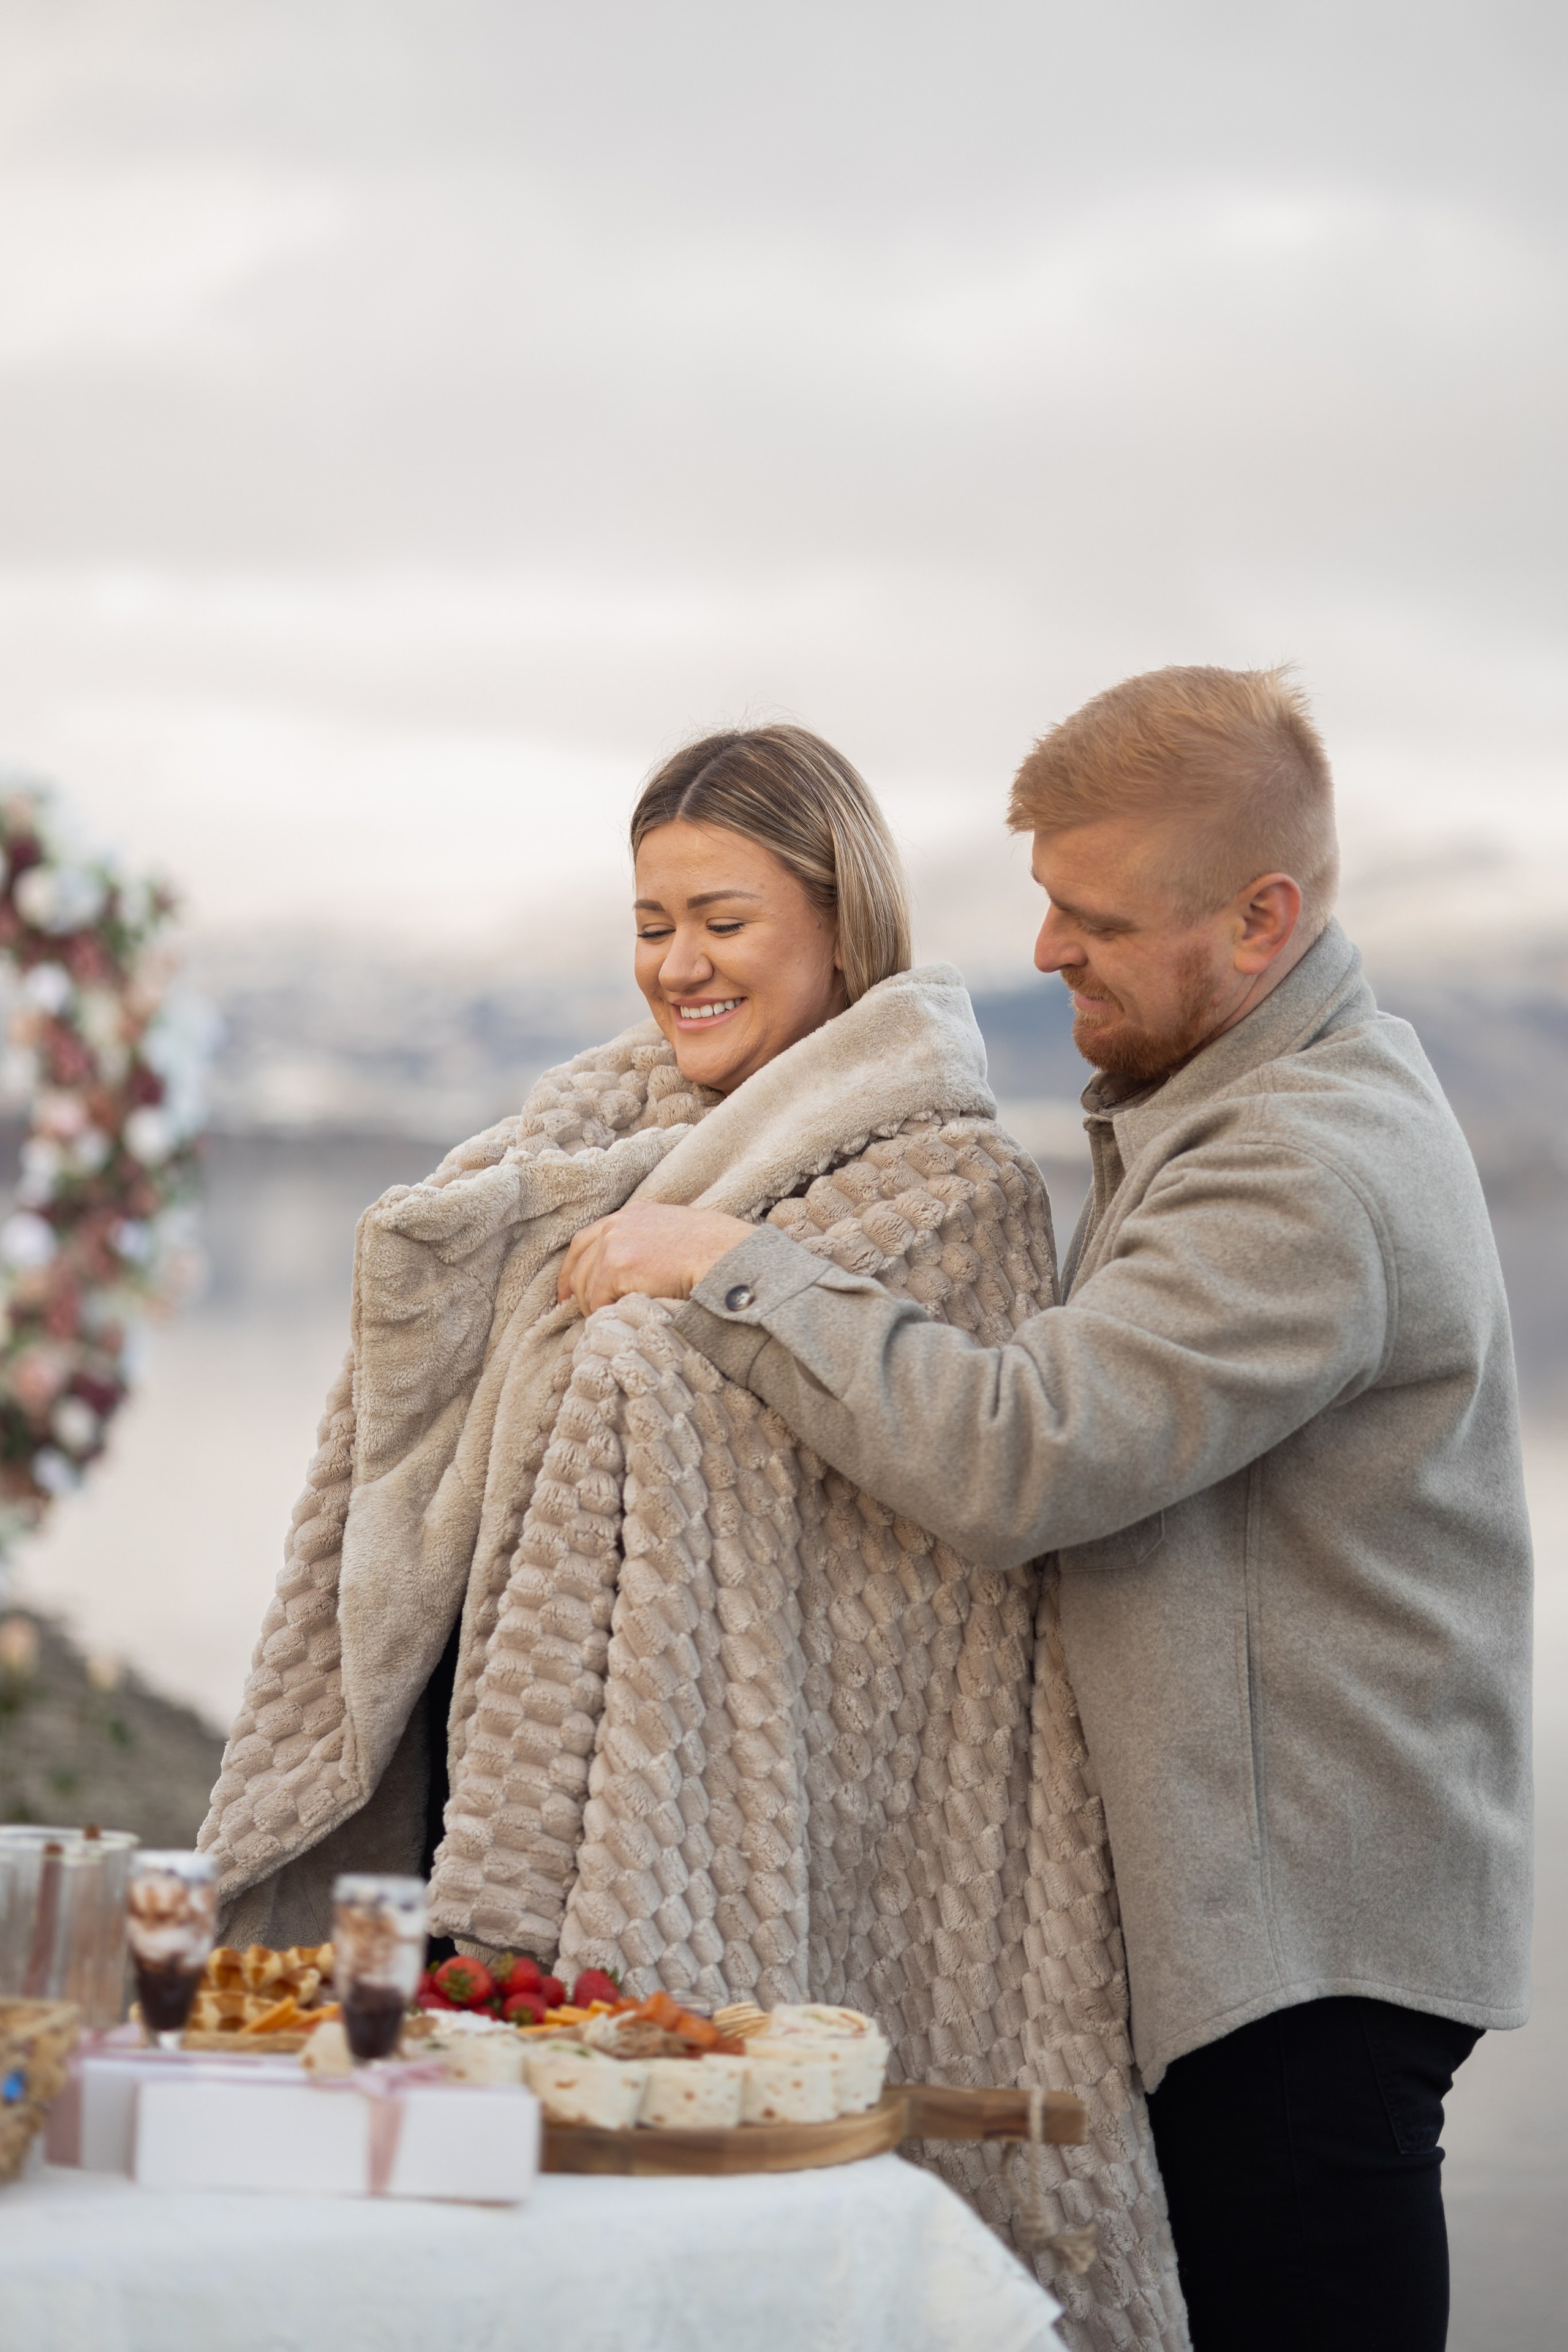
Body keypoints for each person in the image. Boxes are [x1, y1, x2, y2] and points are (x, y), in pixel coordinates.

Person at [560, 666, 1534, 2352]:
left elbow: (1024, 1455)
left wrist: (734, 1267)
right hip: (1273, 1921)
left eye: (1092, 917)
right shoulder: (1236, 1099)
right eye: (1043, 901)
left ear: (1262, 917)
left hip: (1305, 1952)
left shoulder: (1301, 1170)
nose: (1045, 951)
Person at [200, 722, 1188, 2352]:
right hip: (480, 1798)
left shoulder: (950, 1188)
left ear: (839, 921)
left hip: (740, 1840)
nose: (680, 965)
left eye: (724, 921)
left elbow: (940, 1594)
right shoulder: (575, 1150)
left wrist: (693, 1297)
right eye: (653, 924)